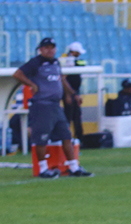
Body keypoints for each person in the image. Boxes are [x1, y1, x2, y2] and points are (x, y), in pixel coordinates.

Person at [12, 37, 93, 178]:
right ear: (41, 49)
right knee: (41, 138)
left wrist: (72, 94)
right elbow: (17, 74)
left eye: (52, 47)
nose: (50, 50)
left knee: (66, 135)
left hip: (56, 105)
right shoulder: (36, 63)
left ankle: (73, 166)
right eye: (47, 47)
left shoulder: (56, 62)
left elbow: (61, 79)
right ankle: (42, 168)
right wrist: (31, 84)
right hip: (42, 105)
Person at [60, 41, 87, 142]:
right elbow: (63, 79)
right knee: (69, 116)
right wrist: (70, 94)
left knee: (76, 116)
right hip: (69, 93)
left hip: (74, 93)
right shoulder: (66, 60)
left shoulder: (74, 60)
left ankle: (78, 138)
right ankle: (67, 138)